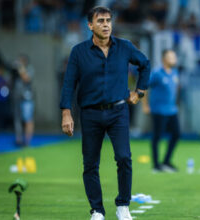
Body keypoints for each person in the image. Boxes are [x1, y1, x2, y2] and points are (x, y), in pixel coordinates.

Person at [60, 6, 150, 220]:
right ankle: (97, 211)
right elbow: (68, 84)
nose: (106, 24)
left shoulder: (125, 47)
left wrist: (139, 93)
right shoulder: (78, 52)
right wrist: (66, 113)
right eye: (100, 21)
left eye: (108, 20)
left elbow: (145, 64)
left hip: (118, 111)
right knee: (90, 164)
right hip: (89, 114)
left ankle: (123, 206)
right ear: (90, 25)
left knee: (124, 157)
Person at [142, 49, 180, 172]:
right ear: (164, 59)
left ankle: (166, 162)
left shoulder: (174, 73)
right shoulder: (157, 73)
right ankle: (156, 165)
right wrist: (145, 105)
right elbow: (145, 87)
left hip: (172, 110)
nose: (174, 59)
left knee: (176, 134)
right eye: (171, 57)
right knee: (157, 137)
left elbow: (175, 89)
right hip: (159, 110)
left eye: (174, 57)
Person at [13, 54, 35, 147]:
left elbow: (26, 78)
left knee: (28, 119)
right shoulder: (15, 71)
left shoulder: (29, 69)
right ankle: (19, 140)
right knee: (17, 120)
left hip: (27, 98)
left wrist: (21, 68)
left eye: (21, 61)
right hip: (17, 98)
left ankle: (27, 141)